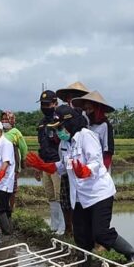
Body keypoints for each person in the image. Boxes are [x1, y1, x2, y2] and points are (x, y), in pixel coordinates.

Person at [25, 105, 134, 263]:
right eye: (56, 128)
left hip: (98, 194)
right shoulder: (64, 144)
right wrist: (42, 165)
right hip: (79, 197)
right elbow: (62, 167)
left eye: (60, 127)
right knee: (81, 238)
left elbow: (96, 162)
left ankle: (133, 254)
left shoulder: (86, 136)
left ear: (70, 123)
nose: (58, 132)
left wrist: (85, 171)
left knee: (100, 234)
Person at [54, 82, 90, 235]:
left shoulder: (85, 119)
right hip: (68, 162)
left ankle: (81, 231)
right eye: (70, 97)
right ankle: (69, 229)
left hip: (83, 167)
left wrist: (86, 169)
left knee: (81, 202)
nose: (72, 100)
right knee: (65, 198)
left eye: (76, 97)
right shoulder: (62, 115)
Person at [36, 89, 65, 234]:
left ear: (55, 103)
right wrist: (38, 166)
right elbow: (41, 145)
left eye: (47, 104)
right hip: (45, 164)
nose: (44, 107)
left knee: (59, 196)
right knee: (51, 197)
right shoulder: (42, 123)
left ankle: (63, 227)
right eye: (42, 104)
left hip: (57, 164)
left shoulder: (60, 120)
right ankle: (54, 225)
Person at [73, 90, 115, 168]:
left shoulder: (105, 125)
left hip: (100, 166)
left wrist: (103, 169)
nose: (88, 112)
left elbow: (108, 151)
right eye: (86, 109)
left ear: (97, 109)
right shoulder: (87, 125)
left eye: (90, 109)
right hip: (87, 165)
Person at [1, 110, 28, 213]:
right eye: (3, 119)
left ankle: (11, 209)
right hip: (1, 164)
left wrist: (23, 160)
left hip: (13, 164)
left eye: (6, 119)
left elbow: (23, 147)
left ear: (12, 120)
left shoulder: (16, 132)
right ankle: (3, 207)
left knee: (12, 188)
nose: (4, 121)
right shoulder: (0, 132)